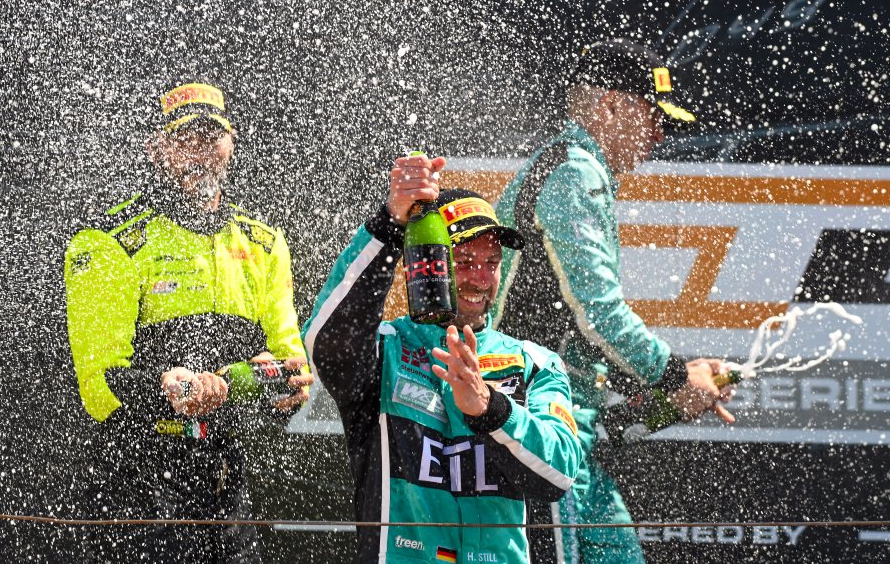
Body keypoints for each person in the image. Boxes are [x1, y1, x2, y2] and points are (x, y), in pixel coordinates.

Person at [492, 39, 734, 564]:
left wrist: (660, 391)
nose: (660, 135)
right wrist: (674, 374)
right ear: (609, 107)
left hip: (569, 424)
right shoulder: (573, 172)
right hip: (537, 428)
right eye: (654, 117)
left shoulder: (575, 168)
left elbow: (572, 329)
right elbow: (597, 315)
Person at [64, 81, 313, 562]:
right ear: (156, 147)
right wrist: (166, 387)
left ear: (232, 143)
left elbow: (292, 363)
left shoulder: (263, 243)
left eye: (211, 137)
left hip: (227, 478)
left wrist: (283, 383)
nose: (200, 152)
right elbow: (97, 383)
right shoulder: (109, 241)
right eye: (184, 139)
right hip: (138, 481)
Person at [302, 154, 582, 564]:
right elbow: (324, 341)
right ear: (426, 263)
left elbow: (559, 474)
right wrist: (388, 226)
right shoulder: (386, 349)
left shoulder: (534, 362)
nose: (481, 278)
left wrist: (491, 410)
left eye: (491, 263)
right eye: (465, 262)